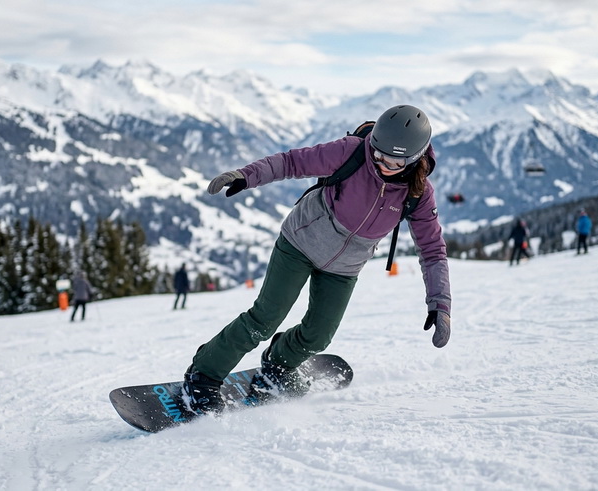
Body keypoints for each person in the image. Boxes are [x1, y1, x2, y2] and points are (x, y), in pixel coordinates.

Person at [181, 104, 452, 414]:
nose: (383, 164)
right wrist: (246, 175)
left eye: (395, 161)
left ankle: (277, 366)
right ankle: (202, 377)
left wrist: (440, 304)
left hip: (345, 267)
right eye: (378, 155)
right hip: (300, 242)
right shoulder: (352, 152)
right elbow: (291, 162)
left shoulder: (418, 193)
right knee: (264, 319)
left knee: (319, 335)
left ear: (415, 159)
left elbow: (432, 250)